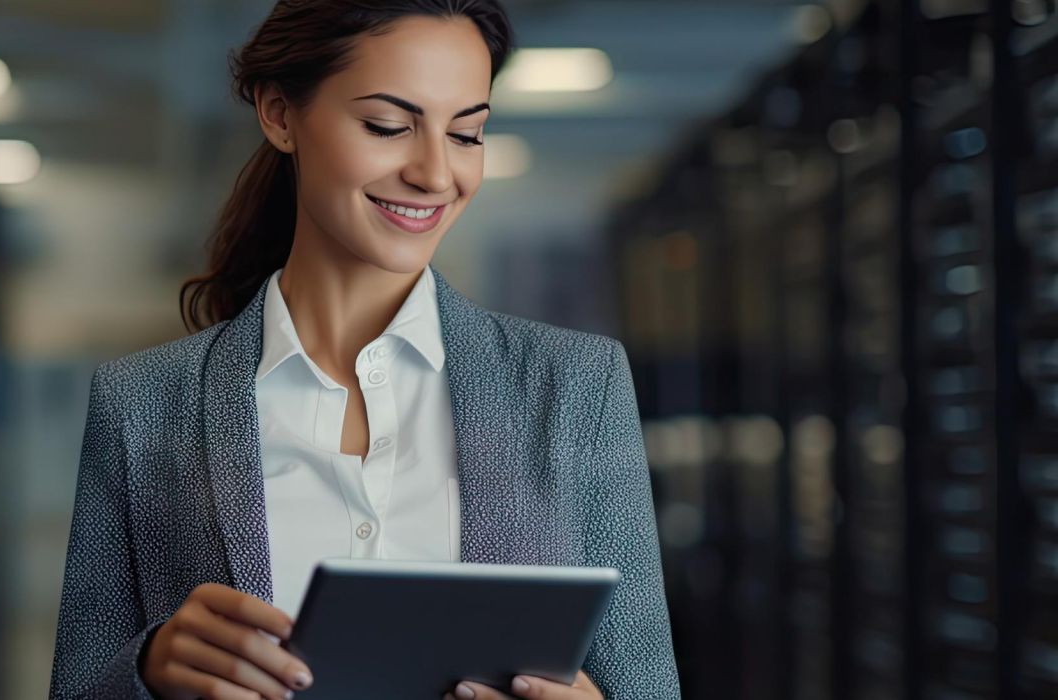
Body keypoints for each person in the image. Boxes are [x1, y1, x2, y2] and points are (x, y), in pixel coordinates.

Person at [46, 1, 680, 698]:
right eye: (387, 126)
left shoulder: (576, 386)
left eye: (467, 133)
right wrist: (149, 672)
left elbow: (645, 683)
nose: (437, 174)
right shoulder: (143, 405)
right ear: (280, 115)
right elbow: (79, 684)